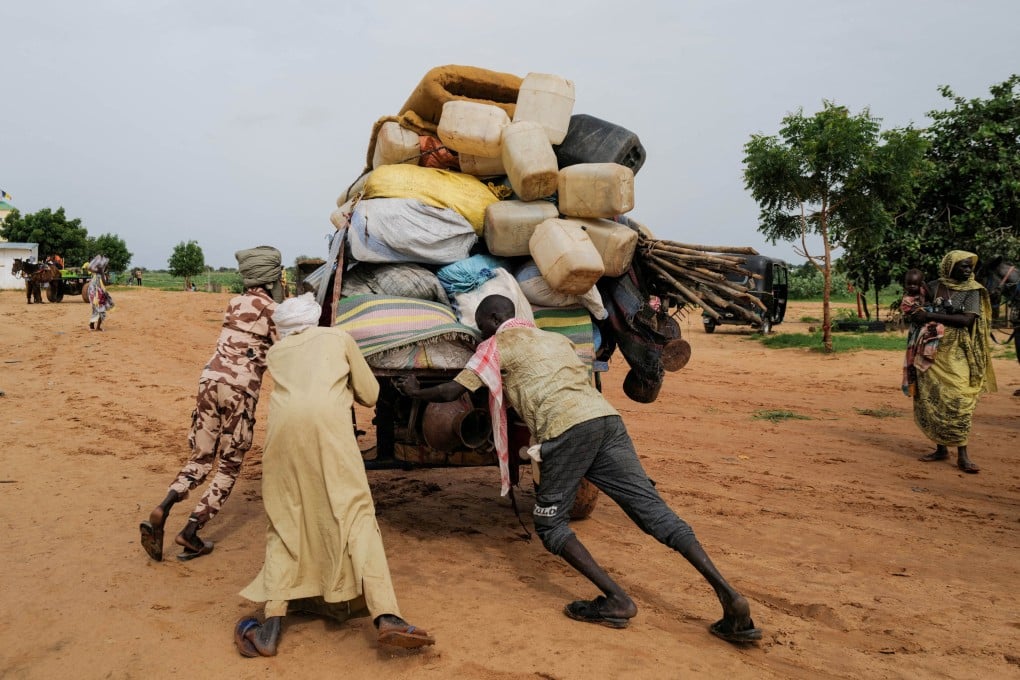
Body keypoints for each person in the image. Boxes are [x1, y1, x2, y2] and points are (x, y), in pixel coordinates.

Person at [394, 294, 761, 644]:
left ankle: (617, 600)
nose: (483, 333)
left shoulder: (493, 347)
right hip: (606, 421)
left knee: (550, 524)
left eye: (483, 326)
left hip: (566, 430)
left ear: (493, 321)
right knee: (654, 512)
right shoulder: (555, 340)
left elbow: (451, 391)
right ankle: (730, 597)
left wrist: (414, 391)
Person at [234, 293, 435, 656]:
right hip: (330, 436)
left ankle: (271, 624)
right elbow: (371, 395)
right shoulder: (339, 338)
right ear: (315, 320)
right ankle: (387, 616)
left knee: (285, 521)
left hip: (281, 438)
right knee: (356, 516)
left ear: (284, 329)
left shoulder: (276, 353)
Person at [139, 246, 282, 561]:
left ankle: (164, 506)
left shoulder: (233, 302)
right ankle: (191, 532)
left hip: (208, 381)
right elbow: (283, 350)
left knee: (201, 458)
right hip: (239, 390)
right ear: (273, 277)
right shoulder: (274, 311)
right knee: (229, 465)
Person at [911, 251, 997, 474]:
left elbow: (967, 320)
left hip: (959, 350)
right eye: (963, 267)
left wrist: (932, 316)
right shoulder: (933, 285)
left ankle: (963, 454)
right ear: (949, 267)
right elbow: (917, 305)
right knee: (934, 399)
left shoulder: (973, 290)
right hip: (931, 349)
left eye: (970, 267)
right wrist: (917, 311)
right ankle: (941, 449)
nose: (968, 270)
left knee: (959, 398)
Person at [900, 268, 944, 397]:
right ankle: (913, 386)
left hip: (929, 326)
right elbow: (914, 315)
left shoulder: (923, 292)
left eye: (916, 284)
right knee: (913, 356)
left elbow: (931, 297)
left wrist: (925, 287)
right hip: (917, 330)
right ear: (905, 284)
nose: (912, 287)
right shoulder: (907, 300)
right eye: (909, 284)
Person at [86, 255, 115, 331]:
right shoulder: (100, 272)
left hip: (95, 293)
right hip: (97, 294)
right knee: (101, 310)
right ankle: (97, 327)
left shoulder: (97, 272)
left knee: (96, 309)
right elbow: (104, 283)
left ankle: (92, 323)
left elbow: (89, 268)